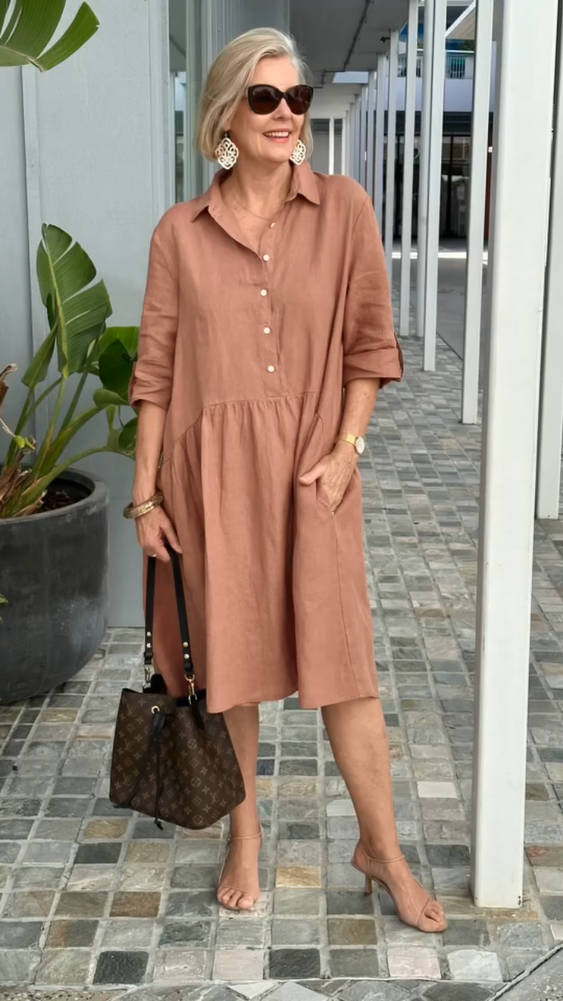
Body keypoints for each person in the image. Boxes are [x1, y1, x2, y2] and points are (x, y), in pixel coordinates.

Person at [128, 27, 447, 934]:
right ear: (226, 114)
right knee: (228, 671)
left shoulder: (343, 208)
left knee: (346, 668)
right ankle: (246, 836)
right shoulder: (180, 232)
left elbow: (369, 345)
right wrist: (146, 496)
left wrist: (346, 450)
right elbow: (155, 374)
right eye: (264, 98)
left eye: (296, 98)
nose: (284, 114)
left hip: (314, 474)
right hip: (211, 482)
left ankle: (381, 847)